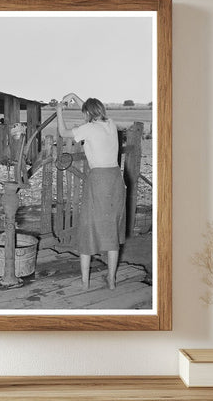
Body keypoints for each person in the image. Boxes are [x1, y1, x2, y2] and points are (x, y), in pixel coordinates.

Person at [56, 93, 126, 290]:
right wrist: (73, 96)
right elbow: (88, 109)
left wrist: (59, 111)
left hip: (99, 181)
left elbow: (63, 132)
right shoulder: (110, 123)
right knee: (111, 230)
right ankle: (111, 280)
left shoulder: (89, 128)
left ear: (88, 114)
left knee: (87, 228)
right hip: (115, 179)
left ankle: (85, 282)